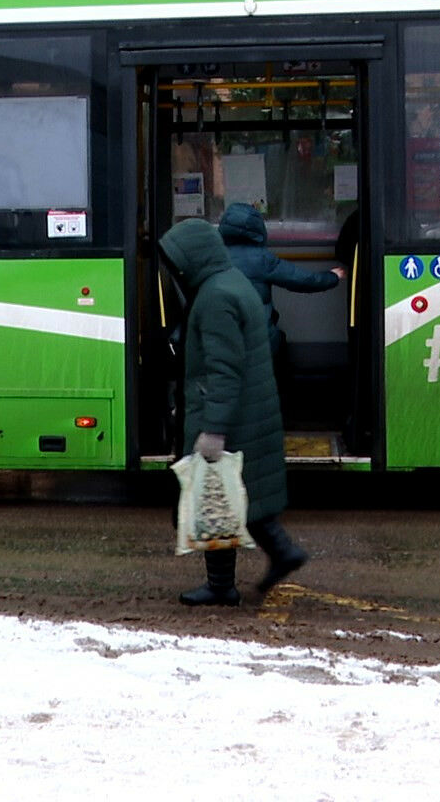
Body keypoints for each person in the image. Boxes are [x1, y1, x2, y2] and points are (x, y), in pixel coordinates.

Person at [158, 218, 307, 607]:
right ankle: (279, 553)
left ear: (191, 259)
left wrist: (213, 428)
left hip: (229, 414)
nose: (173, 272)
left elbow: (224, 369)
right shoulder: (232, 282)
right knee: (237, 495)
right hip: (248, 410)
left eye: (175, 263)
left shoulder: (215, 297)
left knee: (216, 495)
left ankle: (224, 584)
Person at [216, 202, 343, 371]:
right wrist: (333, 276)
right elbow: (302, 280)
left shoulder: (214, 257)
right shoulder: (261, 259)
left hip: (220, 340)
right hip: (259, 340)